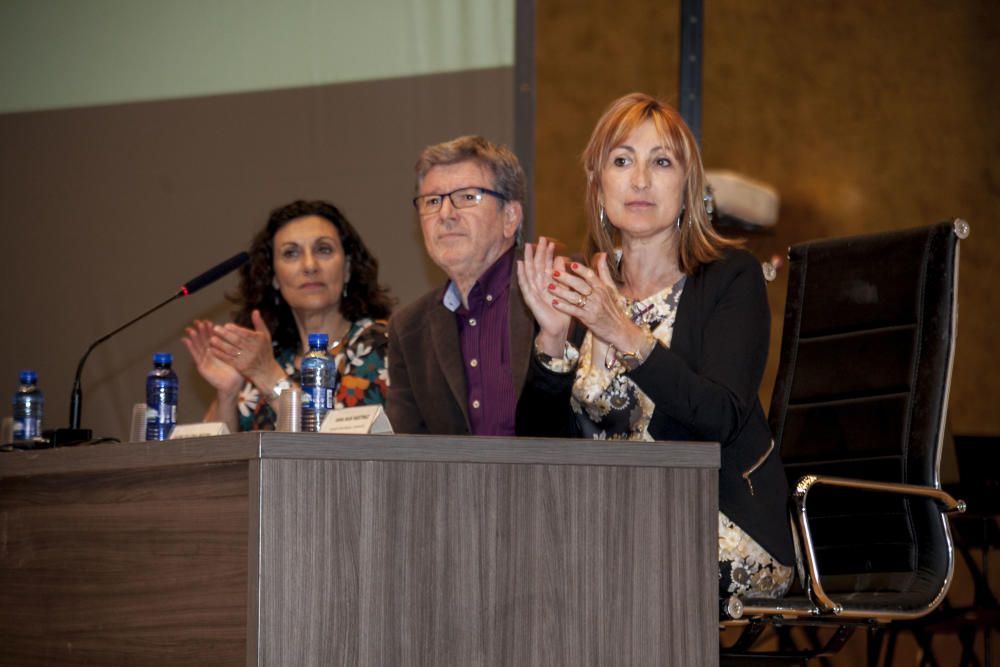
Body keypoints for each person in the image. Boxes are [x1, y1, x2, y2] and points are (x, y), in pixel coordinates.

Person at [515, 93, 795, 599]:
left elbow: (721, 417)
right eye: (622, 161)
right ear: (599, 187)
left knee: (599, 580)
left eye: (661, 162)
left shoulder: (730, 277)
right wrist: (553, 340)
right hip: (607, 527)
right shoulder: (584, 287)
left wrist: (619, 330)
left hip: (719, 523)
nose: (640, 179)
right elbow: (538, 451)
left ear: (687, 188)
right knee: (512, 566)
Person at [183, 199, 393, 432]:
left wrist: (268, 376)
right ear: (273, 276)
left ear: (347, 269)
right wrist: (228, 392)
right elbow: (214, 461)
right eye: (291, 253)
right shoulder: (271, 356)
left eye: (323, 249)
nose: (309, 265)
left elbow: (336, 449)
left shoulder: (379, 344)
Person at [386, 135, 534, 435]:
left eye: (467, 197)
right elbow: (406, 452)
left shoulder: (555, 289)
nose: (445, 214)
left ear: (510, 216)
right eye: (432, 201)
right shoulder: (409, 329)